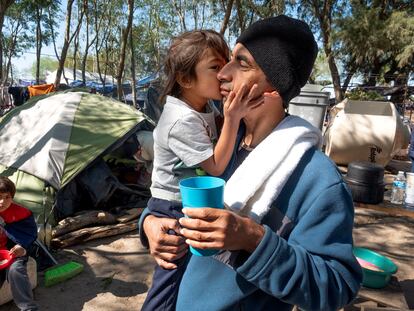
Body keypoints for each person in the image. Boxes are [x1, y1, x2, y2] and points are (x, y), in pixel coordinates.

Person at [139, 15, 363, 311]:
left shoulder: (319, 181)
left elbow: (336, 286)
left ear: (274, 86)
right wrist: (150, 225)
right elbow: (171, 193)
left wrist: (253, 240)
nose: (223, 74)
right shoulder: (218, 141)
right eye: (227, 60)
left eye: (242, 63)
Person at [141, 30, 263, 311]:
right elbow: (217, 168)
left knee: (185, 279)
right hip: (171, 208)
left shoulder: (201, 106)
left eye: (227, 65)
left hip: (185, 202)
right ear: (185, 80)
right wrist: (233, 117)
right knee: (168, 283)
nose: (223, 75)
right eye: (215, 68)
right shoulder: (181, 119)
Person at [0, 176, 38, 311]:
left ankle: (28, 308)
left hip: (13, 253)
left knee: (16, 271)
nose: (2, 201)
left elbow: (29, 233)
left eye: (7, 197)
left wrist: (21, 247)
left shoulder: (21, 213)